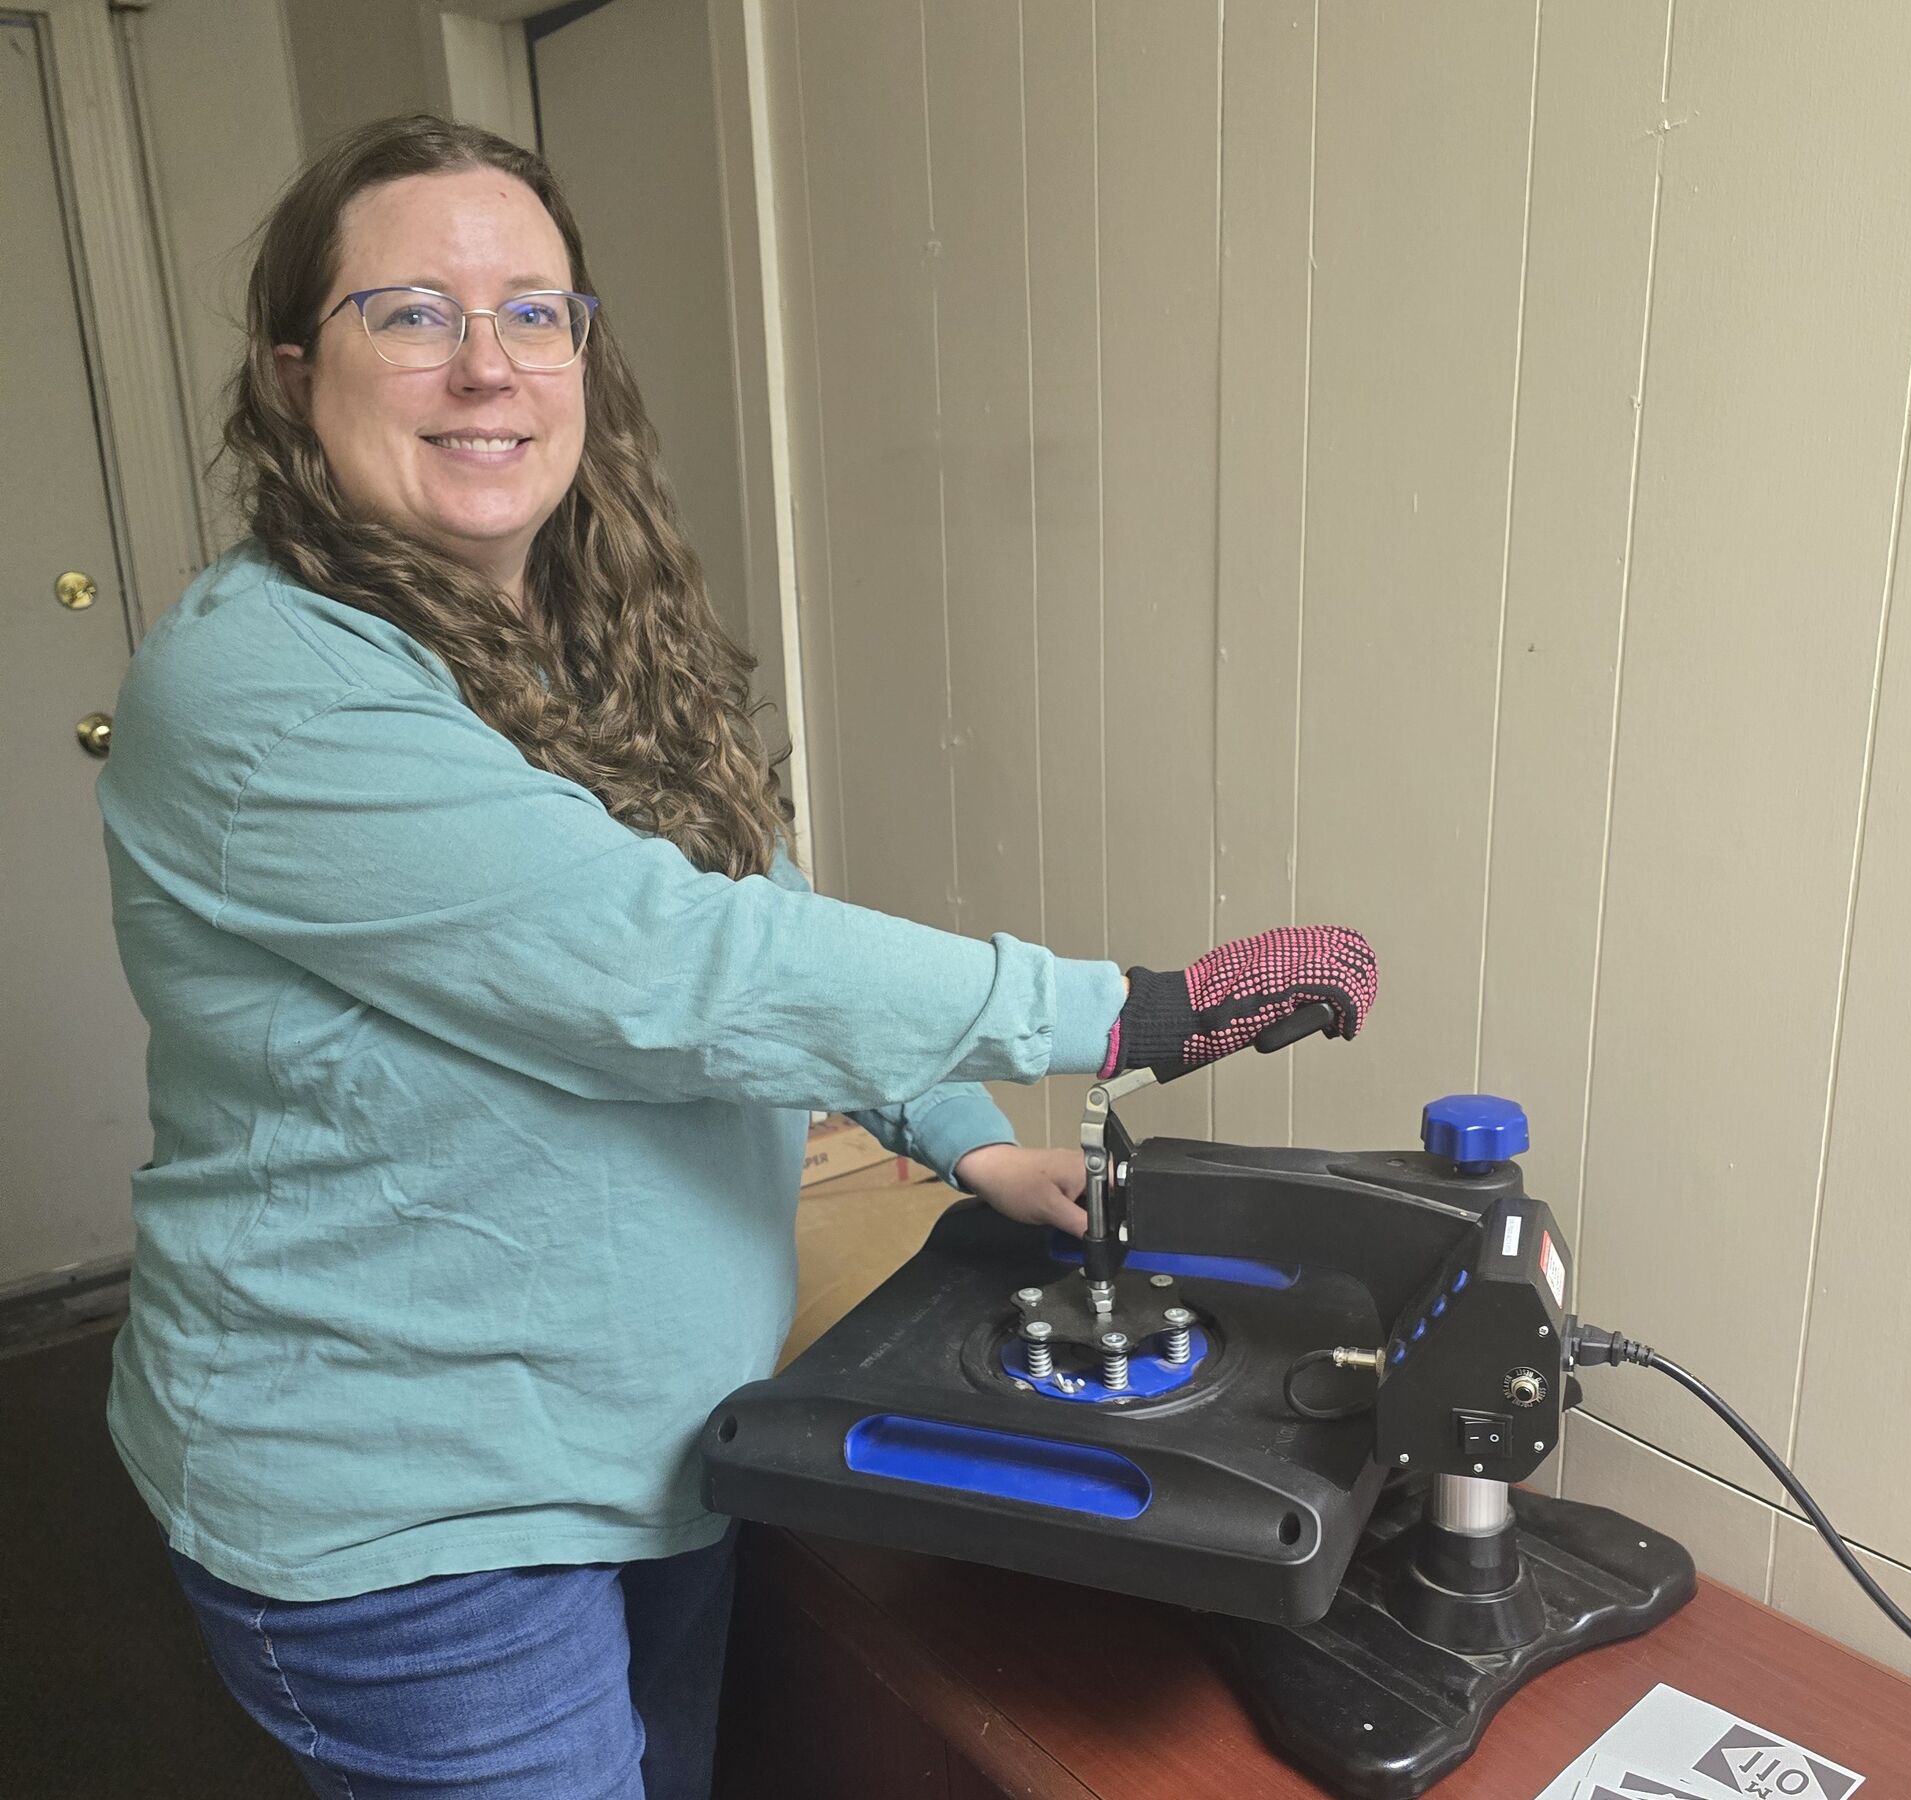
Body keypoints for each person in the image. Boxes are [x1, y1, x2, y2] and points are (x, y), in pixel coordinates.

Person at [95, 114, 1379, 1800]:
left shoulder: (582, 637)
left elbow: (760, 919)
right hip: (416, 1520)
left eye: (533, 312)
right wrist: (1128, 1013)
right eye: (411, 313)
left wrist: (969, 1130)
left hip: (661, 1444)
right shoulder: (265, 685)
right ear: (288, 374)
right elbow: (669, 963)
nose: (486, 365)